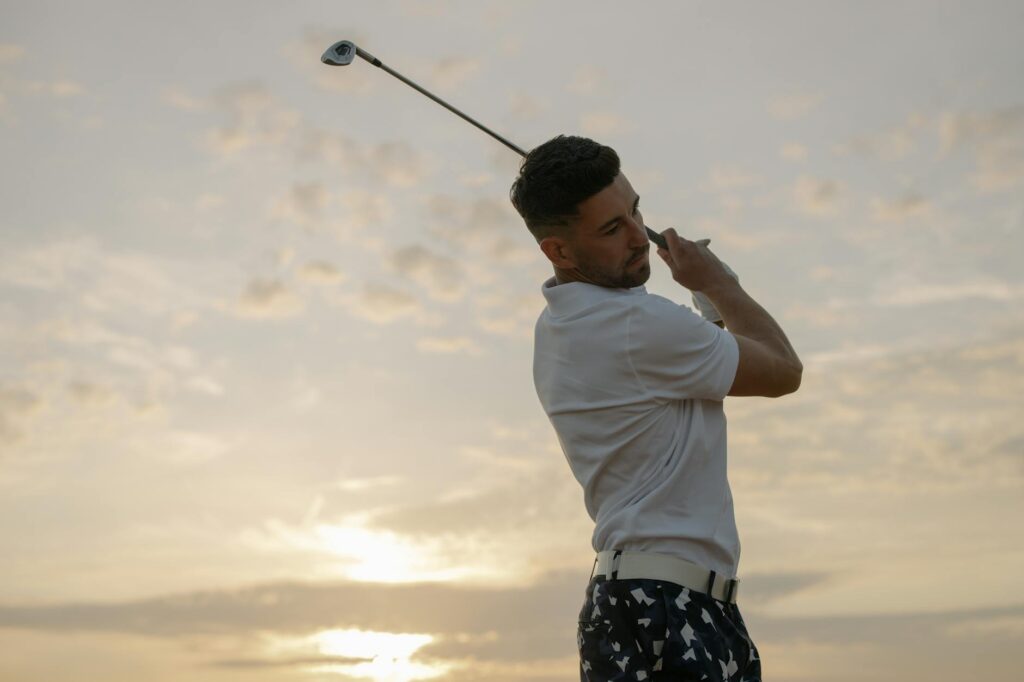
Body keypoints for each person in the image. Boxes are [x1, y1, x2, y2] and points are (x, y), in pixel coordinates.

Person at [509, 135, 802, 681]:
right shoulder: (636, 326)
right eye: (611, 228)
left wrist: (709, 306)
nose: (639, 236)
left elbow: (691, 368)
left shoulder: (559, 326)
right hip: (671, 605)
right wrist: (714, 282)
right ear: (559, 250)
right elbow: (784, 371)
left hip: (634, 602)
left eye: (635, 209)